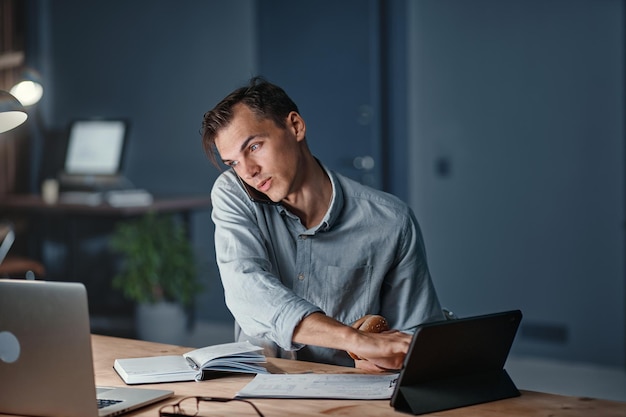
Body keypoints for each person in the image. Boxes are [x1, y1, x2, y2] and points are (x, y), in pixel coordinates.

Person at [201, 77, 443, 371]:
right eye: (233, 162)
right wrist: (353, 339)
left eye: (253, 147)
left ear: (296, 127)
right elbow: (247, 290)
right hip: (261, 388)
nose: (248, 171)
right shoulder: (234, 192)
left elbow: (416, 337)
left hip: (353, 393)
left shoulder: (391, 221)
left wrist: (384, 358)